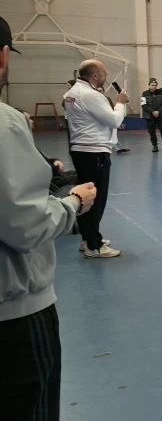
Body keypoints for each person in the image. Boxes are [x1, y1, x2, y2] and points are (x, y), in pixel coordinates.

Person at [0, 27, 98, 421]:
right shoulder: (5, 123)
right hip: (13, 314)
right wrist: (73, 204)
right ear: (3, 56)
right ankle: (92, 240)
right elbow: (25, 224)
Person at [64, 59, 128, 258]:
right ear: (94, 76)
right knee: (95, 200)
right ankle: (94, 245)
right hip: (94, 152)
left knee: (86, 197)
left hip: (81, 150)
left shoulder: (72, 93)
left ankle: (87, 238)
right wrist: (120, 103)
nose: (105, 78)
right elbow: (114, 120)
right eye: (104, 74)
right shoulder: (91, 95)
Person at [141, 78, 162, 152]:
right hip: (150, 116)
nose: (154, 86)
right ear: (149, 85)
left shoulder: (161, 93)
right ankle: (155, 146)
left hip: (160, 116)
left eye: (155, 85)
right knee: (152, 132)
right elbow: (143, 105)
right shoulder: (144, 93)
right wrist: (153, 112)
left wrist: (158, 112)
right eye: (152, 85)